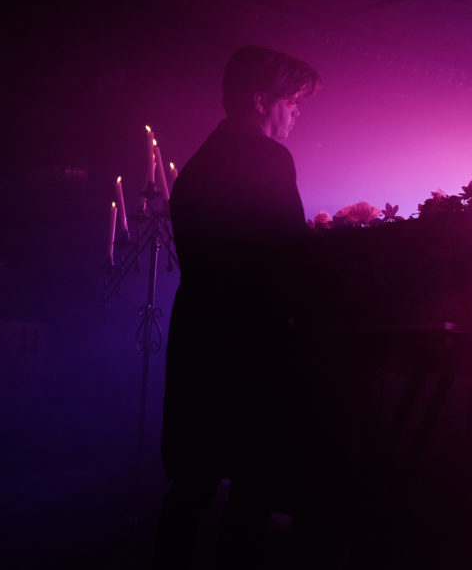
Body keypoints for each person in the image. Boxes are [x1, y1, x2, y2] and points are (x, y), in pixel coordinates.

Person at [153, 46, 320, 569]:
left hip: (199, 335)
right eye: (292, 101)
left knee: (194, 484)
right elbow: (291, 256)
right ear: (259, 101)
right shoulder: (268, 158)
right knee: (254, 483)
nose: (297, 113)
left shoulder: (198, 165)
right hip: (251, 341)